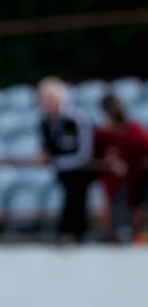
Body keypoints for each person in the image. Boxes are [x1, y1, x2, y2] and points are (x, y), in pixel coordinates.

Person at [37, 76, 96, 243]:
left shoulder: (77, 119)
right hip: (62, 172)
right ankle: (67, 232)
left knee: (76, 199)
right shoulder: (44, 123)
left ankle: (77, 234)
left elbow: (85, 153)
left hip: (80, 172)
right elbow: (46, 148)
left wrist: (58, 161)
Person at [94, 93, 148, 242]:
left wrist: (134, 166)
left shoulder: (134, 132)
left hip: (136, 182)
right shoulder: (101, 135)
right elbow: (93, 159)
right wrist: (109, 164)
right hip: (111, 183)